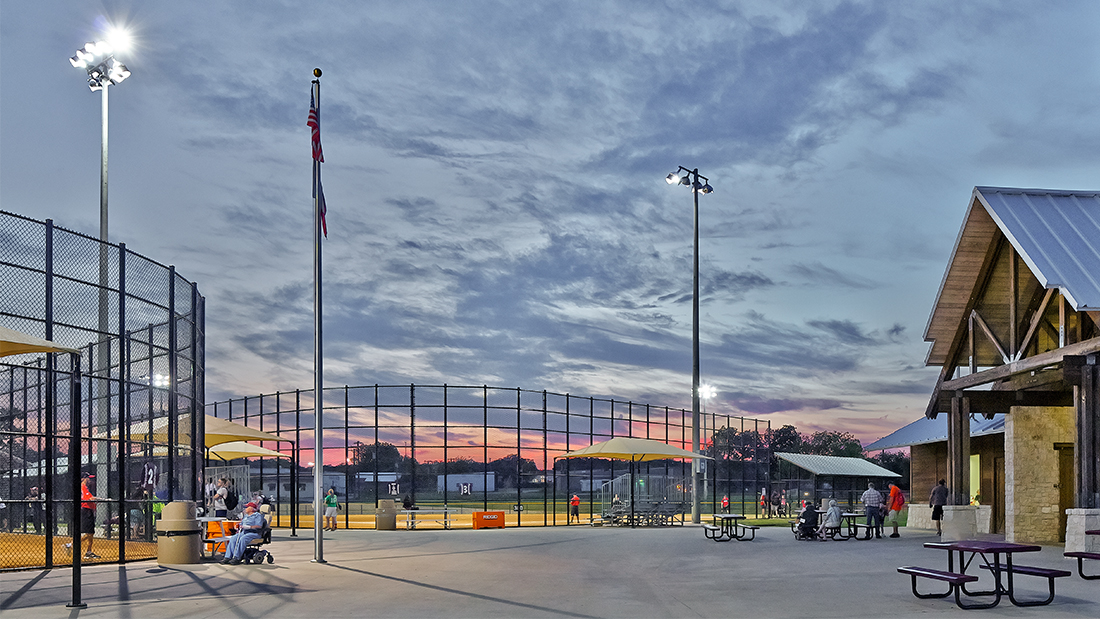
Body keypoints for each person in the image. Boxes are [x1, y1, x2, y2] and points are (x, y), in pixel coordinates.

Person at [66, 472, 105, 559]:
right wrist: (102, 499)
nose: (90, 480)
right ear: (83, 479)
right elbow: (90, 499)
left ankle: (89, 551)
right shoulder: (82, 487)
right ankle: (71, 545)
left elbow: (89, 498)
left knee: (90, 533)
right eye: (88, 478)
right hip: (86, 511)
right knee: (89, 533)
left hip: (88, 511)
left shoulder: (86, 488)